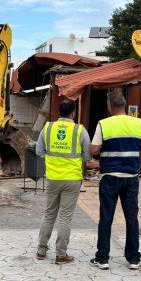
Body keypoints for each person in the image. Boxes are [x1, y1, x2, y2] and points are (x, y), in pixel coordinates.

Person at [89, 90, 141, 270]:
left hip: (109, 177)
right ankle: (133, 259)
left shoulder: (104, 124)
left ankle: (102, 258)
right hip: (131, 178)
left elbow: (93, 150)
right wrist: (137, 167)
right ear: (124, 104)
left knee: (106, 217)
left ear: (109, 105)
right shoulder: (139, 123)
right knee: (131, 218)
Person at [35, 99, 91, 265]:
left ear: (59, 111)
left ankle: (41, 251)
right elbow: (87, 156)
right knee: (65, 217)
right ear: (73, 113)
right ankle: (61, 255)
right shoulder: (80, 130)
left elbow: (39, 151)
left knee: (49, 214)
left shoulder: (48, 128)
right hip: (72, 179)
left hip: (53, 178)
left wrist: (52, 160)